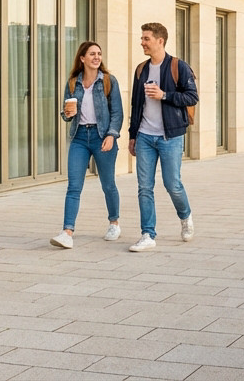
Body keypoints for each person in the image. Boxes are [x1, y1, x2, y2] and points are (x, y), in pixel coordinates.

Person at [126, 22, 197, 252]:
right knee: (144, 187)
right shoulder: (141, 70)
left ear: (160, 41)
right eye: (142, 38)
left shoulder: (178, 66)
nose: (142, 42)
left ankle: (185, 217)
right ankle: (148, 234)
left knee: (172, 184)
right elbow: (136, 104)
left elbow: (191, 97)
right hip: (145, 136)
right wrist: (133, 135)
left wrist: (164, 95)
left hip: (171, 136)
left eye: (146, 38)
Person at [50, 41, 123, 249]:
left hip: (102, 137)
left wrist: (112, 135)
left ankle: (114, 223)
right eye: (92, 54)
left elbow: (117, 112)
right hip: (80, 137)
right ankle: (67, 232)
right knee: (74, 186)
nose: (97, 57)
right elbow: (65, 113)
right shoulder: (73, 82)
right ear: (82, 58)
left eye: (99, 53)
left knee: (108, 184)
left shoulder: (109, 81)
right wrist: (66, 113)